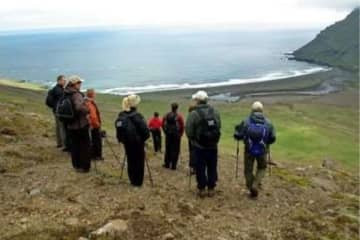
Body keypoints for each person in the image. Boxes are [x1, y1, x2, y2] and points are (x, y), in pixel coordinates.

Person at [233, 101, 276, 198]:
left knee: (248, 170)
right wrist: (267, 143)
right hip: (262, 150)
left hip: (249, 150)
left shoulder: (246, 121)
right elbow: (273, 138)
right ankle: (255, 185)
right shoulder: (268, 122)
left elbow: (238, 135)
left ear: (252, 110)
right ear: (262, 110)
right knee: (262, 167)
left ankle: (251, 186)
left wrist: (239, 136)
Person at [186, 91, 221, 198]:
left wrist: (193, 140)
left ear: (197, 101)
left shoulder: (193, 114)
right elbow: (218, 126)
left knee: (200, 167)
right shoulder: (215, 112)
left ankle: (202, 188)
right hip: (213, 145)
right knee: (212, 166)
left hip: (199, 146)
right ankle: (211, 188)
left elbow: (189, 131)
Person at [115, 95, 150, 186]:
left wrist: (122, 140)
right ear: (134, 105)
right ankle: (138, 182)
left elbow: (119, 131)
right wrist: (143, 139)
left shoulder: (121, 116)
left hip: (127, 143)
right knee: (139, 162)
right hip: (138, 143)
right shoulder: (137, 116)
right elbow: (145, 131)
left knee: (131, 160)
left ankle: (132, 180)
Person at [65, 75, 91, 173]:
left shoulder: (66, 92)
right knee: (84, 146)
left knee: (75, 146)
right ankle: (85, 167)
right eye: (79, 83)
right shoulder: (76, 94)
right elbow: (79, 107)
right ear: (74, 84)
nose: (80, 84)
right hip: (80, 125)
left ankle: (76, 165)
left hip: (70, 124)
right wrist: (87, 110)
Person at [45, 75, 67, 150]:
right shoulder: (59, 90)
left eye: (65, 80)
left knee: (58, 127)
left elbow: (50, 102)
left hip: (56, 111)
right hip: (59, 111)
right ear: (59, 81)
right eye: (63, 80)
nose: (65, 81)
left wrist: (54, 107)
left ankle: (59, 143)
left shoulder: (55, 89)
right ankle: (64, 145)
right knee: (62, 127)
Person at [162, 103, 185, 170]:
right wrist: (180, 134)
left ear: (171, 107)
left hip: (168, 134)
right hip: (176, 135)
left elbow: (163, 124)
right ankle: (173, 166)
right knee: (176, 150)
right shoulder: (179, 116)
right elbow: (182, 126)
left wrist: (165, 132)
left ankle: (167, 164)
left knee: (168, 149)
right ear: (177, 108)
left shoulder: (166, 115)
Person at [85, 89, 103, 161]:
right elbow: (93, 116)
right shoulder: (89, 103)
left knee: (92, 140)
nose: (95, 94)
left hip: (89, 125)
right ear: (92, 94)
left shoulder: (86, 101)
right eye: (94, 93)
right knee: (97, 141)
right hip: (94, 126)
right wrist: (97, 124)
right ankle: (97, 156)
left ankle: (93, 155)